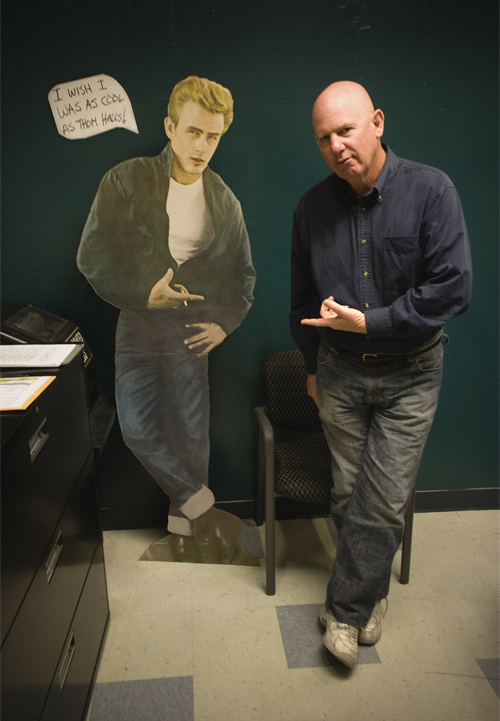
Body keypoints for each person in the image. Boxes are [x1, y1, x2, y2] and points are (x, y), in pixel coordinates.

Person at [290, 81, 472, 668]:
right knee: (349, 492)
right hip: (338, 373)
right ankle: (372, 593)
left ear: (377, 123)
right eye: (324, 138)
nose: (336, 146)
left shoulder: (432, 190)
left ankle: (344, 612)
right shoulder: (310, 208)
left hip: (413, 374)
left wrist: (372, 322)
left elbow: (453, 288)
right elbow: (301, 299)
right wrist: (311, 365)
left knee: (386, 500)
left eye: (345, 130)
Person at [78, 76, 256, 538]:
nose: (201, 146)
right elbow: (91, 258)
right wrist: (144, 295)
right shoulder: (125, 179)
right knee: (135, 428)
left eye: (212, 136)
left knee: (192, 434)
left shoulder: (224, 201)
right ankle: (199, 503)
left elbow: (244, 278)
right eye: (193, 132)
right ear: (170, 127)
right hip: (137, 324)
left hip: (191, 330)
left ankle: (186, 531)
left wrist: (224, 325)